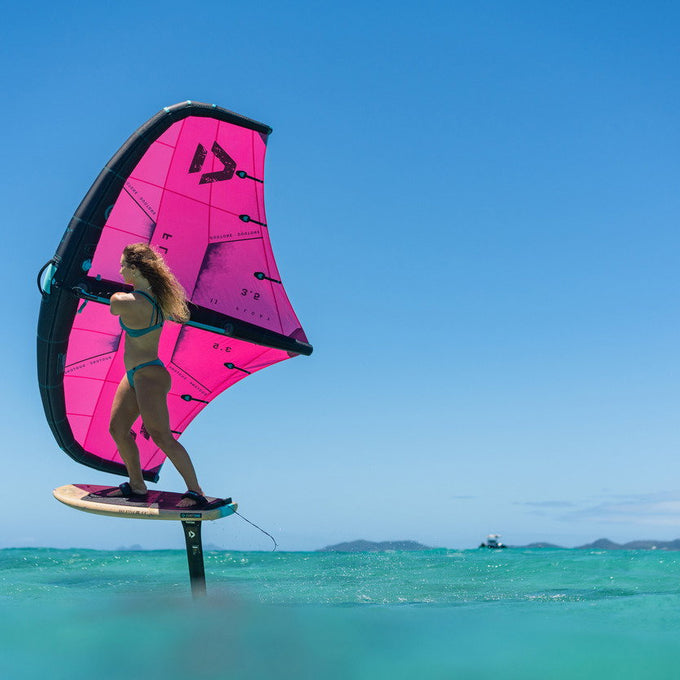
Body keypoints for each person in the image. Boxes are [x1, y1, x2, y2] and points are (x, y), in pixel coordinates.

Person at [108, 243, 225, 509]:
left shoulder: (131, 302)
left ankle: (195, 491)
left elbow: (114, 305)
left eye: (123, 265)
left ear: (134, 269)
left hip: (149, 375)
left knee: (161, 436)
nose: (120, 270)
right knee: (117, 429)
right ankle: (137, 485)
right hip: (135, 374)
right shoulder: (152, 297)